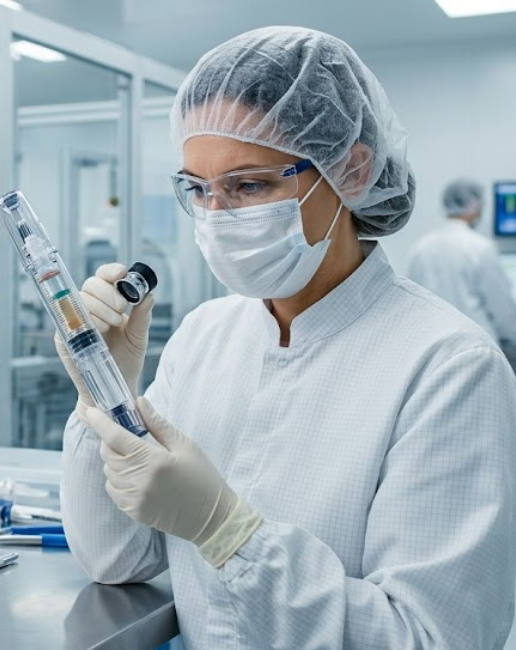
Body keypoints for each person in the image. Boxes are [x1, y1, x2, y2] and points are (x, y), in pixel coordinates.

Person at [59, 27, 516, 649]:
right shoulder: (205, 336)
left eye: (250, 186)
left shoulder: (449, 367)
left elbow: (431, 637)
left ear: (349, 169)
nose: (218, 216)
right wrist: (103, 391)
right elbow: (117, 560)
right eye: (199, 189)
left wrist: (226, 532)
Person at [408, 179, 516, 348]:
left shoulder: (420, 248)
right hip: (477, 345)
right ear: (474, 205)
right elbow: (502, 309)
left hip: (432, 345)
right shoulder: (480, 248)